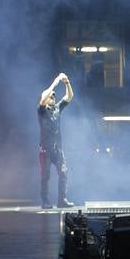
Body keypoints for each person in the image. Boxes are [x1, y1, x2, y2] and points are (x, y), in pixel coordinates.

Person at [38, 72, 74, 208]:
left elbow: (69, 97)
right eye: (50, 95)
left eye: (54, 95)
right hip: (45, 149)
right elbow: (43, 99)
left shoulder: (57, 108)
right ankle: (45, 201)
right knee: (45, 176)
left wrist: (66, 82)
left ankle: (61, 200)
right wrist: (56, 81)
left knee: (63, 173)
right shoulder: (41, 110)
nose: (53, 96)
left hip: (57, 149)